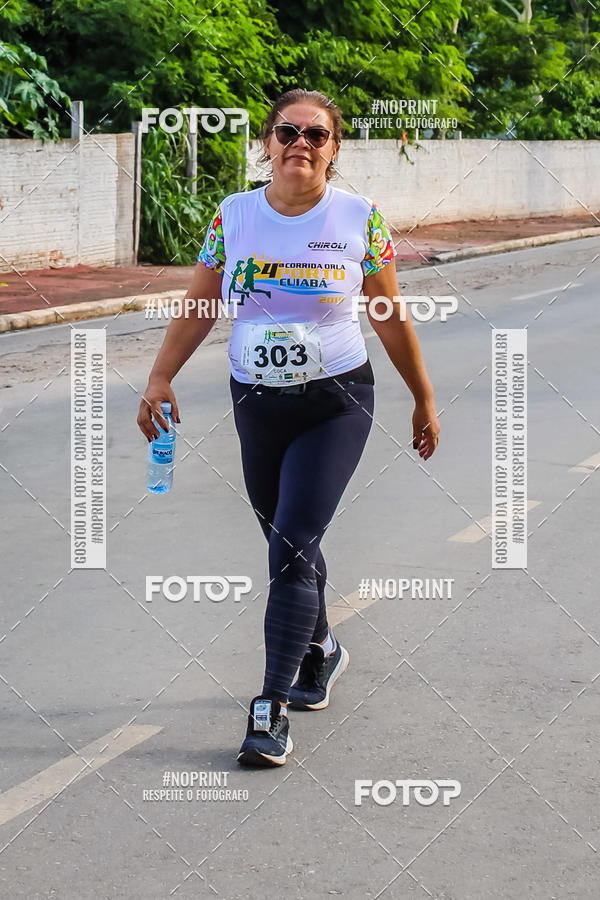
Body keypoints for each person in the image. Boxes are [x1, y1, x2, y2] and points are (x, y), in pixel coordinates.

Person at [137, 88, 440, 768]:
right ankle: (322, 648)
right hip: (257, 402)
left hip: (337, 401)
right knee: (284, 540)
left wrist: (422, 398)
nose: (300, 143)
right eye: (287, 132)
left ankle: (270, 709)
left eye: (316, 135)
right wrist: (159, 377)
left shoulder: (359, 219)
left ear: (334, 150)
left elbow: (389, 313)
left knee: (294, 544)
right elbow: (201, 303)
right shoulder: (234, 215)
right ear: (267, 144)